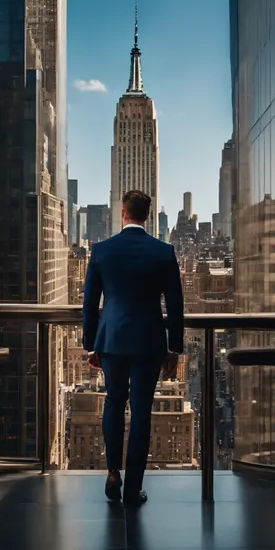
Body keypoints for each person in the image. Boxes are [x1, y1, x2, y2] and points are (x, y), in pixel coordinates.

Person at [82, 190, 184, 506]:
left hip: (111, 340)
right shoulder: (163, 252)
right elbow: (176, 306)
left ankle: (113, 471)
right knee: (141, 411)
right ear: (147, 216)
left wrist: (90, 344)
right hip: (149, 341)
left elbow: (89, 304)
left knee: (114, 402)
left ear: (123, 213)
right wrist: (175, 348)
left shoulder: (101, 251)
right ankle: (133, 488)